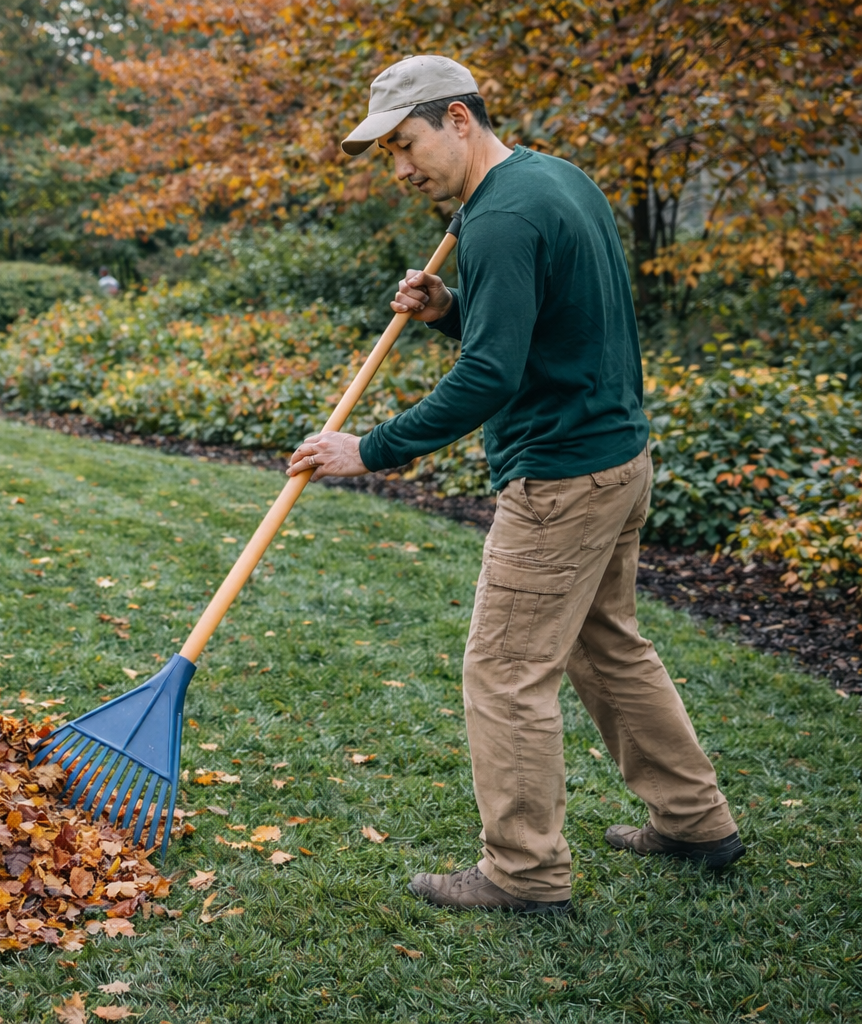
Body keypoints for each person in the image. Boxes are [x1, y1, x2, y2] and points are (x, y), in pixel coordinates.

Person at [287, 54, 743, 915]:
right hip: (617, 460)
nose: (401, 169)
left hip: (561, 479)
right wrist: (451, 310)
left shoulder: (497, 220)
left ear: (458, 118)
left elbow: (490, 379)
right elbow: (548, 328)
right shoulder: (557, 181)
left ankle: (525, 874)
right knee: (608, 646)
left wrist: (371, 449)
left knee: (504, 672)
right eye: (390, 155)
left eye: (407, 144)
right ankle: (695, 820)